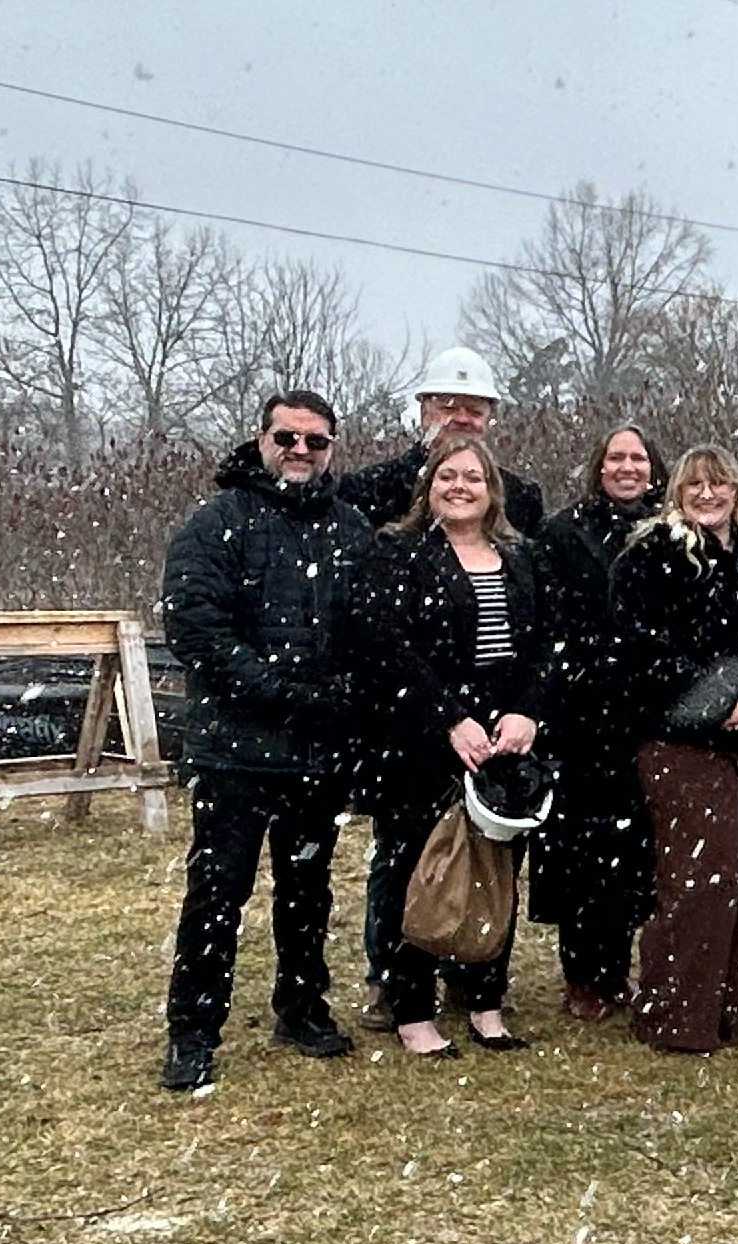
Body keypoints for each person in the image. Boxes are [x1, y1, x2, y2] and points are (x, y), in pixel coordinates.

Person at [156, 390, 373, 1090]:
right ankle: (193, 1030)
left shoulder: (351, 529)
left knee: (307, 888)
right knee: (219, 891)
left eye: (316, 440)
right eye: (288, 437)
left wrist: (345, 696)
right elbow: (196, 629)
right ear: (260, 439)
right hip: (235, 750)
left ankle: (302, 1005)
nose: (300, 451)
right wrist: (280, 694)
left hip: (319, 752)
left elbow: (371, 630)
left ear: (333, 447)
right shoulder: (216, 523)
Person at [348, 438, 555, 1059]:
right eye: (447, 475)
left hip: (506, 740)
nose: (459, 485)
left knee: (497, 872)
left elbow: (550, 643)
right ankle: (412, 1008)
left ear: (493, 490)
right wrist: (449, 719)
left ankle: (487, 1001)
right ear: (428, 486)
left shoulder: (523, 558)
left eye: (473, 476)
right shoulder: (399, 552)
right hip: (421, 738)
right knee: (424, 871)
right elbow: (385, 645)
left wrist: (527, 712)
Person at [610, 446, 738, 1054]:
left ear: (737, 490)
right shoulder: (649, 557)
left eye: (718, 483)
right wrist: (712, 702)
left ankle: (728, 1013)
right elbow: (637, 647)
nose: (707, 494)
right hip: (681, 741)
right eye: (695, 483)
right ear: (677, 490)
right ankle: (675, 1016)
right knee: (702, 876)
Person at [527, 426, 667, 1022]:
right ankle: (583, 975)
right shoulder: (561, 533)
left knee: (635, 850)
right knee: (578, 852)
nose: (627, 467)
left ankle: (618, 969)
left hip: (645, 711)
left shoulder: (669, 532)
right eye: (616, 457)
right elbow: (543, 617)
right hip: (576, 714)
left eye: (637, 457)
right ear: (598, 466)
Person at [337, 346, 547, 534]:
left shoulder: (521, 499)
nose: (462, 419)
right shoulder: (368, 490)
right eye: (449, 408)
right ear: (423, 412)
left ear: (489, 419)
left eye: (474, 411)